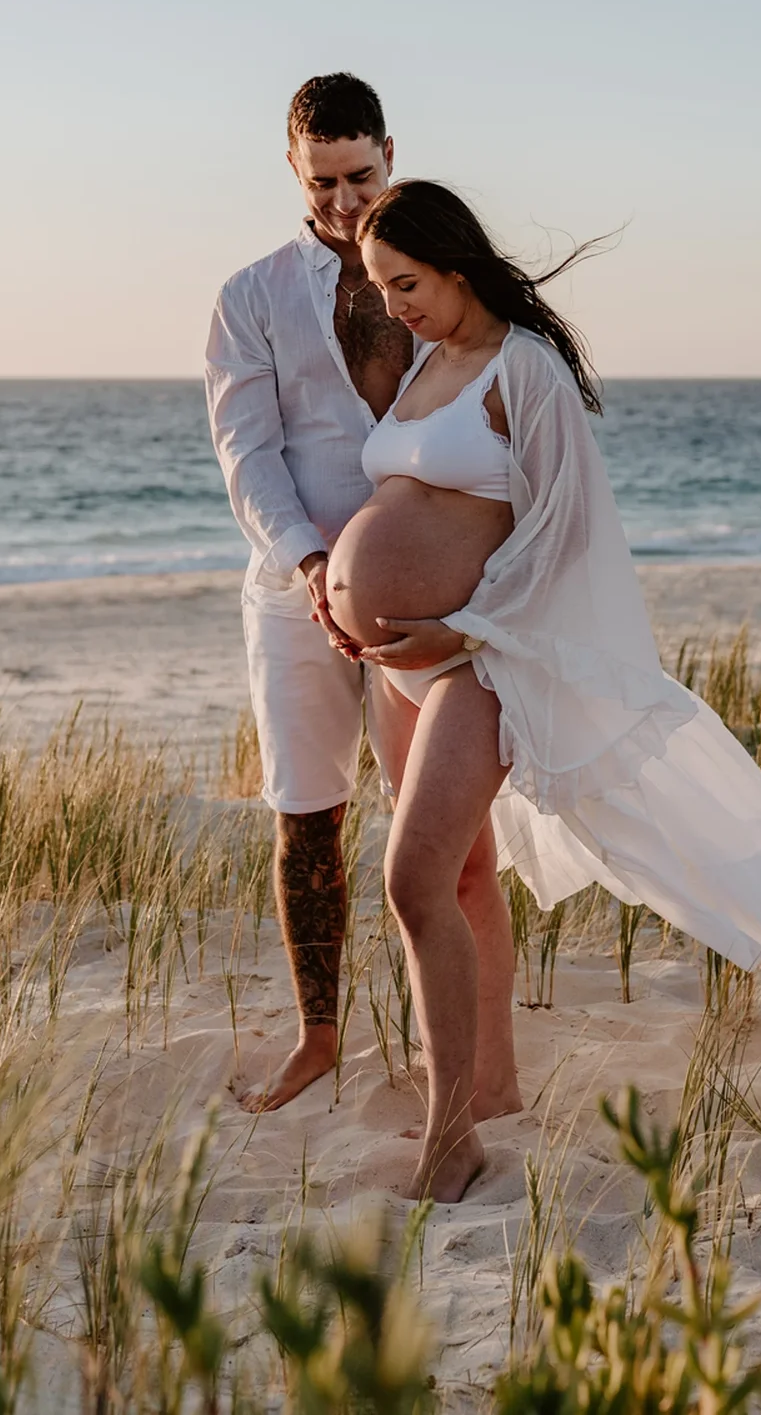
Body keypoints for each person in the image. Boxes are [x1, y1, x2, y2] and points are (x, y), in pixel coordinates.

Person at [327, 180, 761, 1200]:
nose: (396, 307)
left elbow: (565, 537)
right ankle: (491, 1089)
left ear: (458, 264)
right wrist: (341, 592)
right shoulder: (430, 362)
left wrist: (460, 625)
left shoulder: (526, 371)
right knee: (461, 879)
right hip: (399, 665)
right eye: (383, 288)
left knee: (410, 878)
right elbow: (401, 497)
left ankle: (448, 1134)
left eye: (409, 282)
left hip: (481, 660)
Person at [205, 76, 521, 1115]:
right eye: (324, 181)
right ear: (293, 169)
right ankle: (318, 1035)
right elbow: (246, 452)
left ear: (391, 152)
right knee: (306, 813)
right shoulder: (250, 296)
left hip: (421, 606)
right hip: (295, 595)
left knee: (443, 841)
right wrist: (309, 570)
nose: (344, 201)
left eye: (362, 177)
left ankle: (471, 1060)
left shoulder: (439, 284)